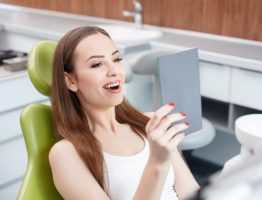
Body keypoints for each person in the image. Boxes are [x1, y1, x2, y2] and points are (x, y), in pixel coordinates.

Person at [49, 25, 200, 200]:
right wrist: (157, 162)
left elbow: (193, 194)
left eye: (117, 59)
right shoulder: (66, 153)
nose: (114, 71)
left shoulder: (148, 123)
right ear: (71, 80)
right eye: (97, 64)